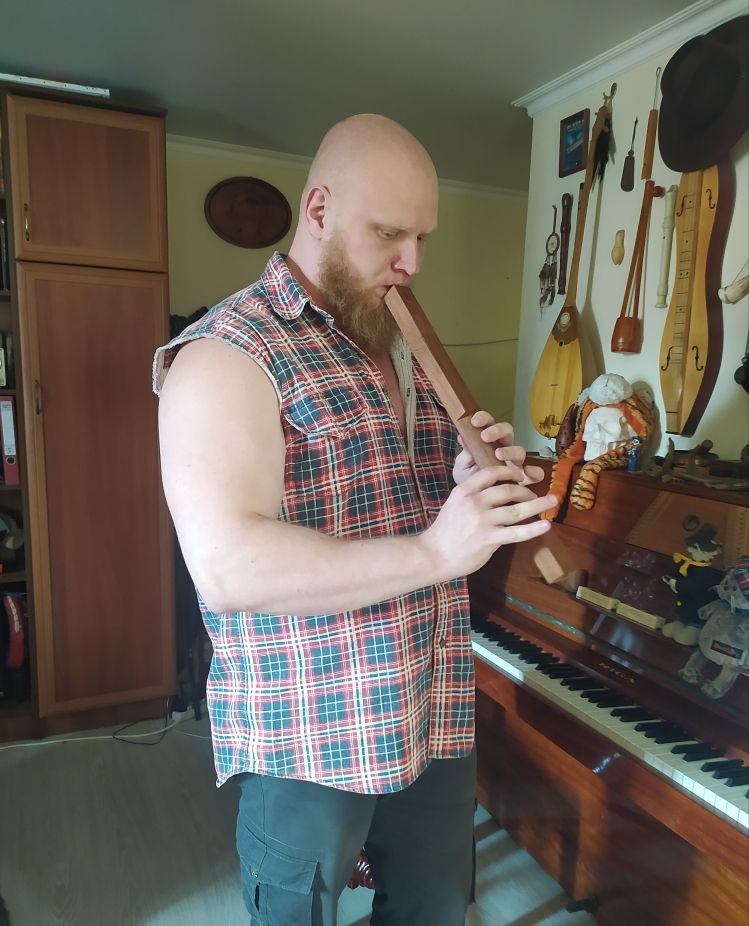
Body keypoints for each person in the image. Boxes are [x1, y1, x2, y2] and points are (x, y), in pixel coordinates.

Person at [154, 113, 555, 926]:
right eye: (389, 233)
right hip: (312, 732)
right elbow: (229, 568)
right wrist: (437, 550)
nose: (412, 262)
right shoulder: (226, 353)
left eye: (422, 237)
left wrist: (466, 483)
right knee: (298, 914)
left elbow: (399, 496)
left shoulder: (394, 341)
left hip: (432, 703)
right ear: (319, 209)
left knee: (434, 909)